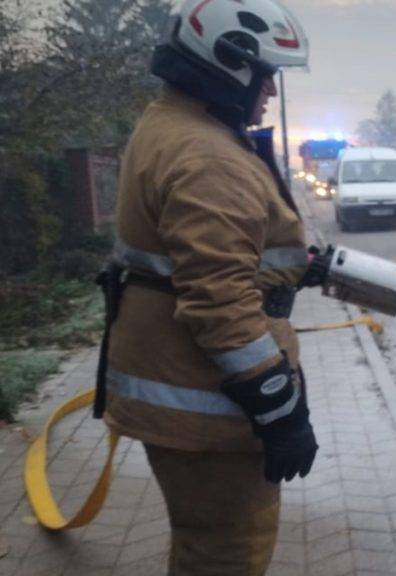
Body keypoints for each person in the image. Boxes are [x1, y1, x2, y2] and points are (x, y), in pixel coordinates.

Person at [99, 1, 325, 573]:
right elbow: (220, 303)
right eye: (267, 71)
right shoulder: (207, 156)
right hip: (205, 405)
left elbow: (201, 259)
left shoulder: (173, 124)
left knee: (201, 542)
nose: (271, 89)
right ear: (229, 63)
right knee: (227, 553)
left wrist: (290, 264)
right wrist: (278, 407)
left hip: (177, 386)